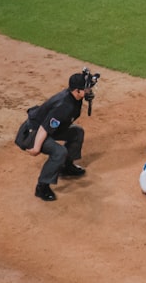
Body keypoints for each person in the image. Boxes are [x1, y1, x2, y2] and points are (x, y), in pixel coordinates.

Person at [14, 71, 96, 202]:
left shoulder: (75, 97)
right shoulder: (64, 106)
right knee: (59, 152)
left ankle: (66, 167)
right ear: (77, 91)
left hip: (48, 129)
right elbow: (44, 127)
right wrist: (36, 148)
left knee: (77, 133)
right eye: (86, 88)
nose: (89, 90)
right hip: (32, 133)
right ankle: (42, 187)